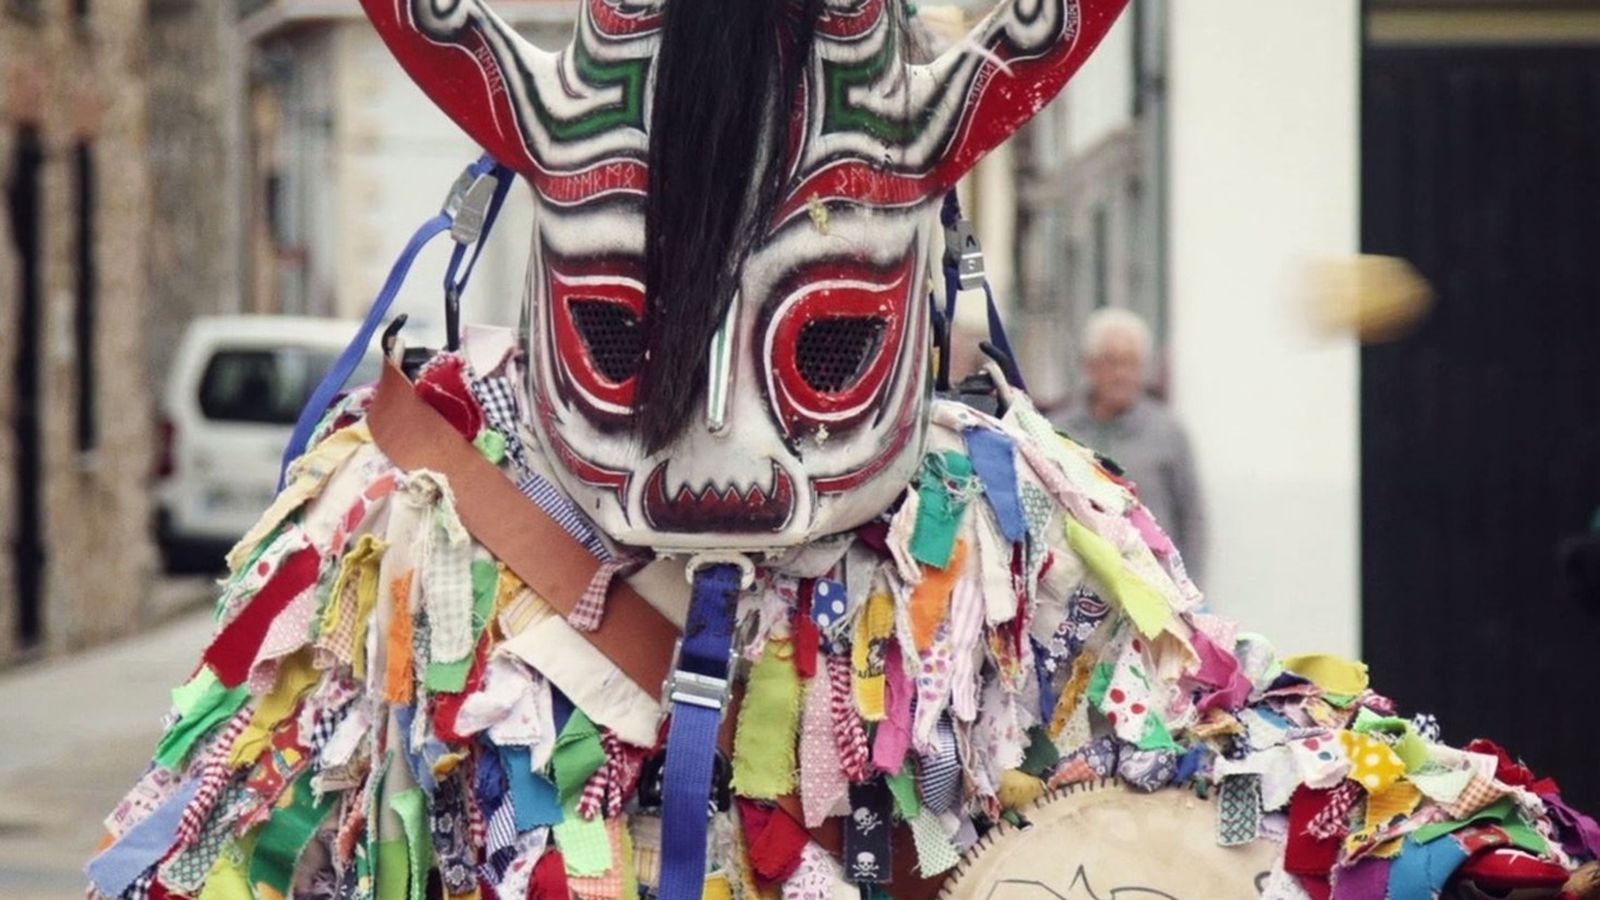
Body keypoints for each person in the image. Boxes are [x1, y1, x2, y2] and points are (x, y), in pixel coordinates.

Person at [86, 2, 1599, 899]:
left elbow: (1196, 767)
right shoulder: (408, 526)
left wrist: (1459, 854)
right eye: (634, 337)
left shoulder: (1000, 533)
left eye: (821, 346)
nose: (719, 462)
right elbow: (229, 842)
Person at [1057, 308, 1206, 579]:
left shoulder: (1168, 433)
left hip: (1156, 590)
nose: (1121, 374)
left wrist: (1191, 591)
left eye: (1130, 363)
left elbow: (1191, 520)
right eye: (1111, 362)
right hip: (1081, 591)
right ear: (1089, 366)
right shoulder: (1058, 432)